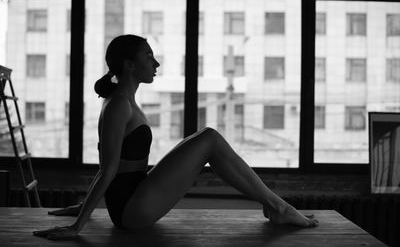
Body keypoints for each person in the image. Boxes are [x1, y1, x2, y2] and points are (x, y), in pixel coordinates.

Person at [33, 34, 318, 240]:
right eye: (148, 56)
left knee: (207, 138)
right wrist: (78, 226)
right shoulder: (119, 103)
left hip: (136, 194)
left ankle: (276, 206)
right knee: (210, 138)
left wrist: (82, 207)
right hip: (131, 209)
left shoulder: (124, 101)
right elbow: (108, 168)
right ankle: (279, 207)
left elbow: (110, 166)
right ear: (129, 65)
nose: (155, 63)